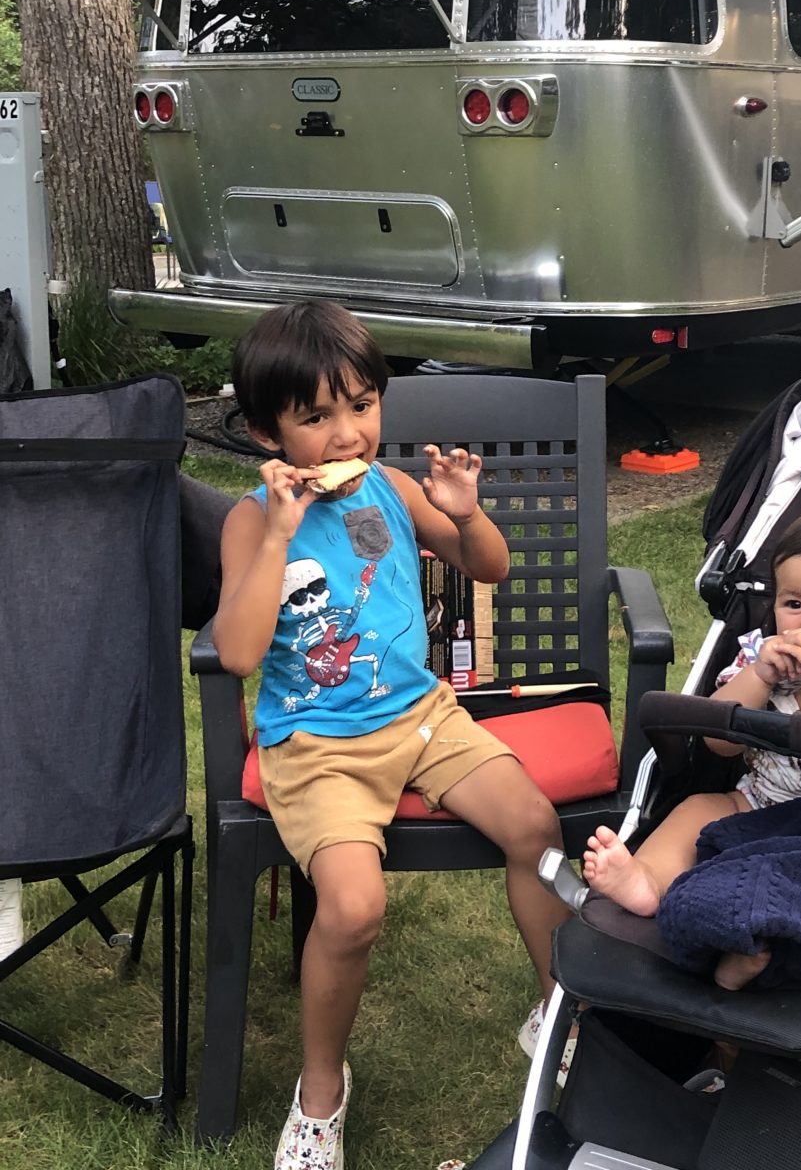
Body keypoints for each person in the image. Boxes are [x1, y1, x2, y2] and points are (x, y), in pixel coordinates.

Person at [214, 300, 567, 1170]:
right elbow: (238, 652)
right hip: (317, 744)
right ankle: (320, 1091)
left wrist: (466, 513)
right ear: (265, 433)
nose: (347, 434)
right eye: (316, 418)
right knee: (353, 908)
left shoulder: (393, 489)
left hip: (421, 716)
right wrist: (279, 535)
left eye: (362, 406)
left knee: (535, 827)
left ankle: (561, 1011)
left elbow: (488, 566)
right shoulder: (252, 520)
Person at [583, 506, 801, 990]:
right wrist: (759, 677)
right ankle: (648, 881)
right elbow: (716, 744)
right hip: (762, 807)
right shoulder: (761, 664)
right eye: (795, 603)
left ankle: (754, 943)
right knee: (700, 807)